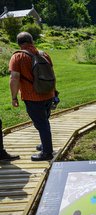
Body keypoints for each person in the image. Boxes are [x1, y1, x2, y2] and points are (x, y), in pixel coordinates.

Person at [9, 32, 56, 161]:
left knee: (41, 124)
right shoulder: (44, 54)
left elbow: (14, 78)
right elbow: (52, 74)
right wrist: (54, 91)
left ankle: (47, 153)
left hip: (32, 96)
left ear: (19, 43)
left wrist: (14, 97)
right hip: (48, 93)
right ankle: (45, 144)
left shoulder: (18, 56)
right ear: (32, 41)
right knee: (44, 121)